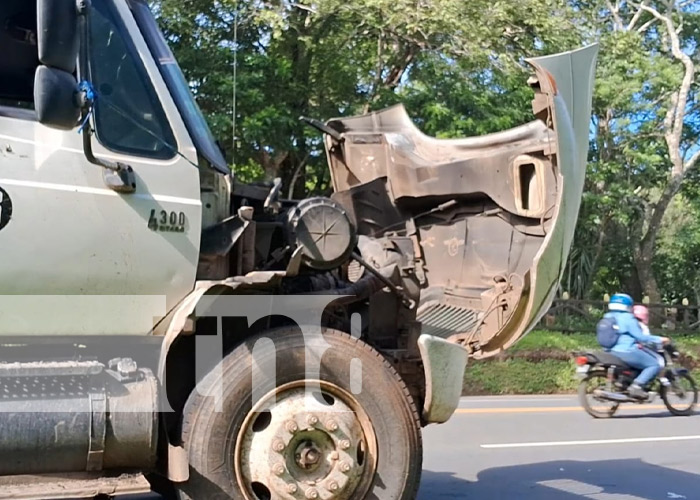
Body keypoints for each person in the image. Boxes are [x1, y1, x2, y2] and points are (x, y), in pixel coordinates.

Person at [605, 294, 669, 399]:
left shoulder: (608, 316)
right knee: (654, 364)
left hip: (610, 350)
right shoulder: (628, 318)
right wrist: (659, 339)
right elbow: (641, 337)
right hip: (627, 351)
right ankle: (637, 385)